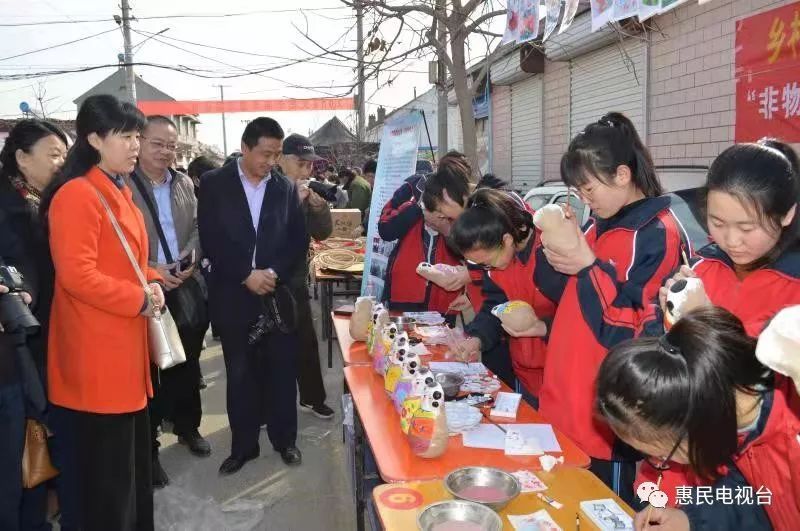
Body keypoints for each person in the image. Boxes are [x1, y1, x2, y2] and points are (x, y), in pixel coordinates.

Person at [530, 112, 687, 504]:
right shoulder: (598, 224)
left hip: (609, 420)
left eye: (587, 188)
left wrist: (587, 265)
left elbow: (636, 332)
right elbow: (558, 293)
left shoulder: (657, 234)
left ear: (621, 175)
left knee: (606, 512)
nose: (584, 199)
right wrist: (550, 245)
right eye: (578, 191)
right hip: (565, 403)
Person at [41, 94, 163, 531]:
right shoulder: (77, 194)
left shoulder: (117, 188)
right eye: (126, 136)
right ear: (93, 138)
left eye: (137, 136)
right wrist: (138, 299)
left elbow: (123, 258)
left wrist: (150, 278)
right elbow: (77, 275)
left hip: (122, 353)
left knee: (127, 475)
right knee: (106, 485)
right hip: (96, 360)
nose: (135, 145)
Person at [596, 306, 800, 530]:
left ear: (695, 426)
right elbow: (760, 496)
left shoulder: (789, 436)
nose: (661, 463)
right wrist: (690, 520)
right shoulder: (728, 403)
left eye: (661, 456)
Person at [198, 117, 306, 474]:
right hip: (233, 293)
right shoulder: (214, 184)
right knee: (240, 374)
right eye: (265, 153)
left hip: (275, 292)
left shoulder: (284, 188)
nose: (271, 161)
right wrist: (246, 274)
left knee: (281, 370)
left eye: (276, 154)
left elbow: (296, 240)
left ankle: (285, 440)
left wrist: (271, 274)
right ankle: (244, 447)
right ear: (245, 148)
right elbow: (211, 239)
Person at [128, 115, 211, 489]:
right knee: (150, 370)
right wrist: (153, 269)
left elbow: (196, 227)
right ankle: (150, 449)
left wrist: (188, 261)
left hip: (185, 283)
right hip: (146, 288)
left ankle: (188, 428)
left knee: (188, 362)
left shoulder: (183, 183)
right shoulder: (122, 186)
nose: (165, 152)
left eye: (171, 145)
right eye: (156, 143)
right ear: (138, 142)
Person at [657, 139, 800, 337]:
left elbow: (772, 364)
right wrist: (669, 319)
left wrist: (705, 320)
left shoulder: (794, 287)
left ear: (787, 215)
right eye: (718, 223)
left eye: (746, 228)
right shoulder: (699, 268)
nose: (731, 241)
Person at [0, 119, 67, 531]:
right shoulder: (10, 206)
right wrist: (18, 288)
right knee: (13, 456)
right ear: (22, 159)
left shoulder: (45, 200)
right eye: (53, 155)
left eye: (64, 154)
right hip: (14, 351)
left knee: (35, 445)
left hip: (42, 339)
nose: (62, 163)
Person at [449, 189, 553, 396]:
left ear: (506, 240)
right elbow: (496, 308)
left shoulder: (550, 254)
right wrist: (476, 339)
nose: (486, 269)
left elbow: (579, 316)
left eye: (487, 262)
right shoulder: (496, 267)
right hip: (525, 372)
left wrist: (543, 327)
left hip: (559, 374)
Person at [278, 134, 335, 419]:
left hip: (297, 280)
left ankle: (312, 398)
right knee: (270, 349)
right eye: (300, 163)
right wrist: (290, 200)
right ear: (281, 159)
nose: (305, 171)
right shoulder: (268, 187)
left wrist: (318, 207)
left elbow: (323, 233)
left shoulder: (308, 193)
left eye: (309, 165)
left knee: (306, 343)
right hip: (266, 281)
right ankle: (268, 408)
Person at [377, 164, 469, 314]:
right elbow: (386, 230)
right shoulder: (410, 190)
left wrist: (445, 229)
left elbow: (469, 252)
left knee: (443, 335)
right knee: (401, 333)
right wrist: (418, 209)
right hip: (406, 287)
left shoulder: (461, 200)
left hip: (445, 291)